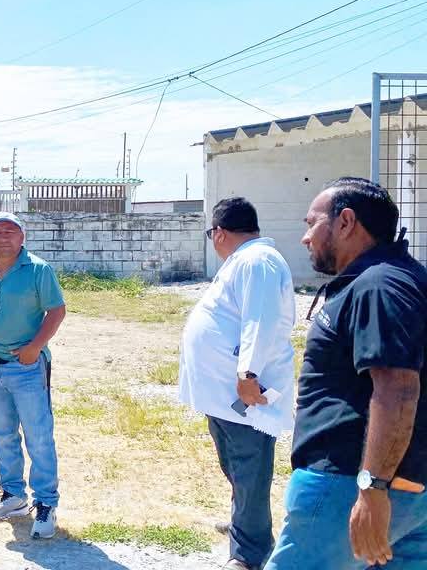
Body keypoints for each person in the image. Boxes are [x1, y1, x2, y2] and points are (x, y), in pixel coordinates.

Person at [266, 177, 427, 570]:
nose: (306, 237)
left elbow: (399, 389)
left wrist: (372, 487)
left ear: (346, 222)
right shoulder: (405, 278)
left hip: (347, 483)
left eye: (312, 223)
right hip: (408, 489)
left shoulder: (379, 285)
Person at [178, 197, 295, 570]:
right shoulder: (245, 261)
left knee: (249, 467)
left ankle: (248, 553)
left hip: (246, 391)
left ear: (219, 233)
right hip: (223, 395)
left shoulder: (257, 261)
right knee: (236, 464)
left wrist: (248, 374)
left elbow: (260, 321)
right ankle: (245, 523)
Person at [0, 212, 66, 539]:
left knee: (38, 435)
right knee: (2, 433)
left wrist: (35, 347)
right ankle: (13, 495)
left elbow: (57, 310)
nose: (4, 236)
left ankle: (45, 503)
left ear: (22, 238)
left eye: (11, 231)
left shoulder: (38, 269)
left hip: (27, 366)